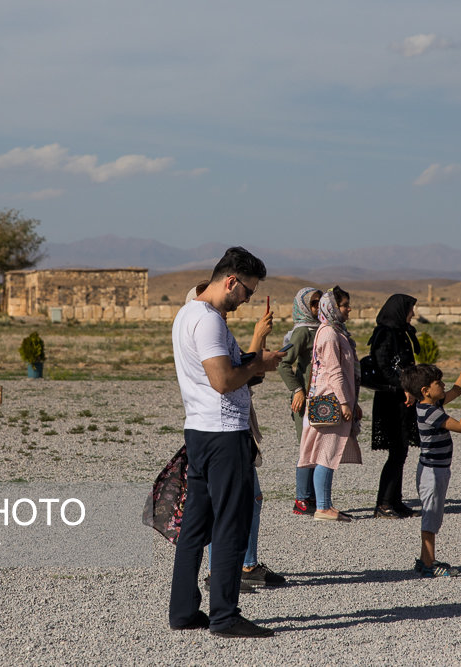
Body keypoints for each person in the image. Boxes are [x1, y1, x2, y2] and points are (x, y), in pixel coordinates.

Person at [168, 246, 285, 638]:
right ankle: (225, 615)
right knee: (231, 524)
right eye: (247, 292)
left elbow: (225, 374)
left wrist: (254, 363)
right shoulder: (209, 321)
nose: (247, 300)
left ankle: (184, 611)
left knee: (195, 527)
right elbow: (222, 381)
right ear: (231, 281)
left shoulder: (188, 314)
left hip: (200, 432)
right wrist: (259, 364)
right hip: (223, 435)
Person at [188, 283, 286, 593]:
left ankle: (245, 565)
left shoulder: (217, 332)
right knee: (225, 504)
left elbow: (246, 369)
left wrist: (259, 340)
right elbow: (231, 378)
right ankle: (222, 574)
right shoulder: (202, 331)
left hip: (234, 429)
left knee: (249, 499)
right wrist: (258, 342)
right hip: (220, 431)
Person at [401, 361, 461, 578]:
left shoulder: (431, 403)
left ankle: (424, 560)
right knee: (431, 518)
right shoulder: (430, 412)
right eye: (439, 383)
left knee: (433, 516)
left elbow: (456, 390)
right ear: (425, 391)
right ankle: (429, 564)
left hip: (436, 469)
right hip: (432, 472)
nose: (444, 385)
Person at [297, 286, 363, 522]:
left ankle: (324, 505)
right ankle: (323, 507)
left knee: (329, 452)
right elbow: (334, 372)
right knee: (326, 453)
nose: (349, 309)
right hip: (330, 400)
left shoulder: (335, 331)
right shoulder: (329, 334)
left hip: (335, 399)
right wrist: (345, 402)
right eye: (345, 305)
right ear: (333, 307)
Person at [369, 294, 421, 519]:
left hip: (402, 399)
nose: (413, 314)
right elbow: (383, 367)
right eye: (411, 309)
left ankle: (395, 501)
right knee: (396, 452)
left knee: (401, 451)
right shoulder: (385, 333)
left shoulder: (400, 332)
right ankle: (384, 504)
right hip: (391, 399)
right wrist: (405, 387)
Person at [277, 287, 322, 515]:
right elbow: (283, 363)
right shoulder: (303, 331)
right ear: (304, 306)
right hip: (304, 400)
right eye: (313, 303)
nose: (317, 307)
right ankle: (301, 500)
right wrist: (297, 390)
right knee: (307, 448)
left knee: (318, 449)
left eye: (319, 302)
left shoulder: (323, 329)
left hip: (320, 398)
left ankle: (313, 497)